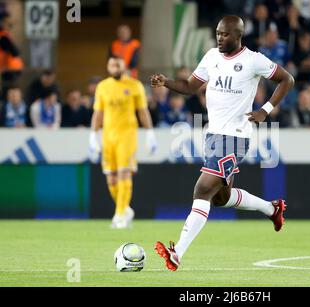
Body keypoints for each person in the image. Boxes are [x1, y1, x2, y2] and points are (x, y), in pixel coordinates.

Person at [150, 16, 294, 271]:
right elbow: (190, 86)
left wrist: (265, 110)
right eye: (217, 33)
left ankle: (177, 253)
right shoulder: (211, 56)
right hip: (214, 136)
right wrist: (167, 82)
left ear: (238, 36)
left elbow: (287, 80)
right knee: (219, 197)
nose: (219, 38)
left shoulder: (253, 60)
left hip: (236, 137)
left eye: (224, 34)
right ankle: (272, 209)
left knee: (202, 190)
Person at [89, 57, 157, 229]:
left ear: (123, 66)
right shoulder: (103, 86)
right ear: (108, 67)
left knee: (123, 173)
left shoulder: (135, 86)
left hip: (127, 136)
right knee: (111, 178)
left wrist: (150, 133)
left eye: (117, 64)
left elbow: (142, 111)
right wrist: (93, 134)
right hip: (108, 136)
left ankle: (119, 215)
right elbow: (98, 113)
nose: (115, 67)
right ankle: (125, 208)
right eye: (112, 64)